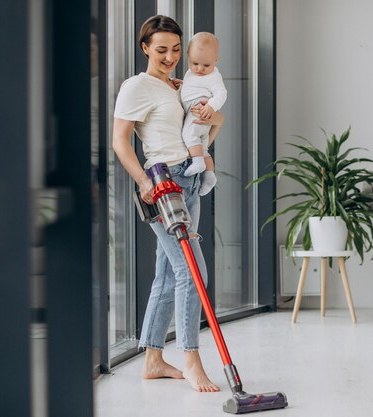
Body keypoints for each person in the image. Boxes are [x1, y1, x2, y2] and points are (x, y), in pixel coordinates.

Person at [112, 15, 224, 393]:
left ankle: (154, 359)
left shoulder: (179, 85)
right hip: (165, 183)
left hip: (189, 179)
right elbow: (120, 141)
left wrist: (208, 110)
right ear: (144, 48)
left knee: (167, 274)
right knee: (192, 272)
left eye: (176, 49)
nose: (170, 56)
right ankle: (191, 359)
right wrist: (144, 182)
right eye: (161, 49)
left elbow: (211, 121)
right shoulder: (136, 86)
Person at [180, 32, 227, 196]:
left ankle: (198, 162)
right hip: (197, 111)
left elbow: (221, 93)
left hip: (199, 108)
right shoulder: (190, 73)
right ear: (188, 55)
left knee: (189, 135)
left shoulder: (214, 76)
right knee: (202, 145)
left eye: (206, 65)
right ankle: (209, 174)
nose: (200, 69)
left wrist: (211, 107)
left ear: (216, 60)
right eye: (195, 63)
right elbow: (190, 86)